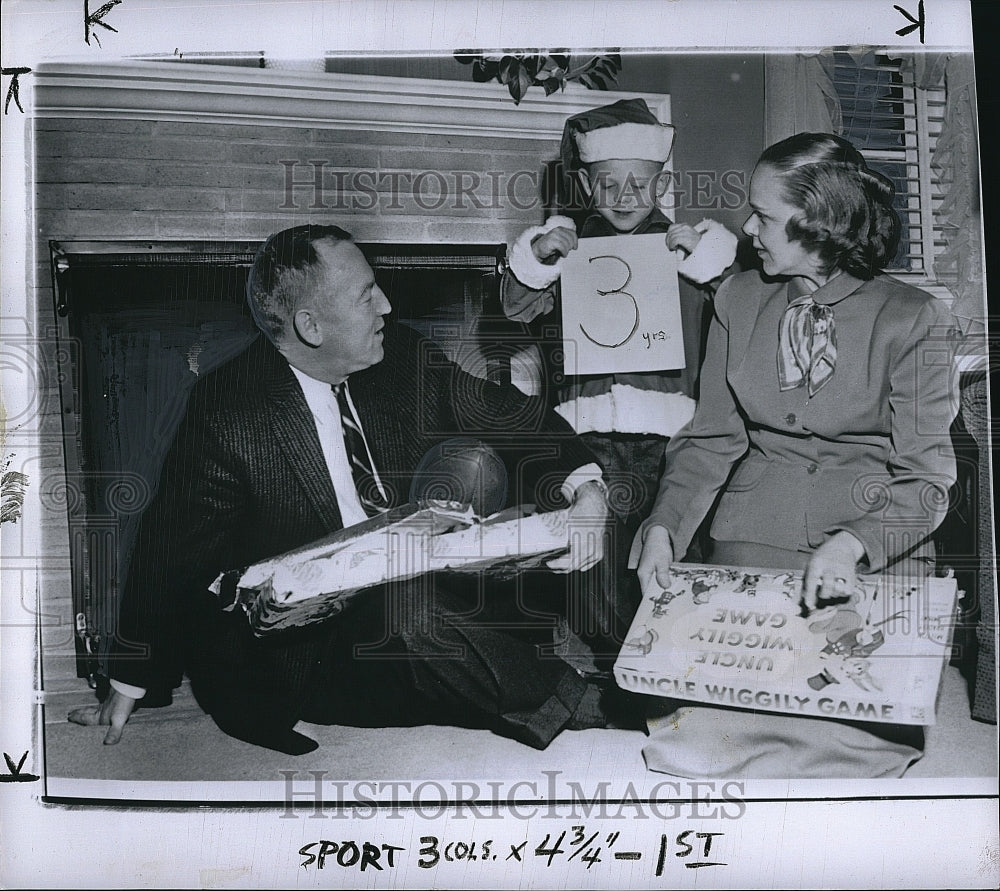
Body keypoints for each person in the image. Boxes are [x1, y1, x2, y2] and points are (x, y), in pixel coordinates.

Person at [69, 224, 628, 755]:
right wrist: (131, 681)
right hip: (316, 652)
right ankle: (587, 704)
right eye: (366, 296)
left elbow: (504, 412)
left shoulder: (397, 355)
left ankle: (641, 662)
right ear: (312, 327)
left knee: (587, 496)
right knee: (407, 607)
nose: (386, 305)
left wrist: (588, 491)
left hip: (425, 591)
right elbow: (171, 547)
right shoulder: (228, 412)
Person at [628, 132, 961, 778]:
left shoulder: (914, 319)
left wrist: (854, 544)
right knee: (697, 732)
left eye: (766, 217)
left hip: (870, 553)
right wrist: (665, 525)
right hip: (756, 540)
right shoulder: (736, 299)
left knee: (856, 729)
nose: (748, 231)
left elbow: (926, 483)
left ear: (822, 226)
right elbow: (710, 440)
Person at [501, 98, 738, 566]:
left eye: (640, 184)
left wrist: (706, 262)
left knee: (670, 549)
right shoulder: (570, 247)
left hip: (670, 439)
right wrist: (540, 255)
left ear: (663, 185)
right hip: (588, 437)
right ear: (588, 184)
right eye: (608, 185)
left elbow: (742, 311)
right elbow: (517, 310)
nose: (624, 197)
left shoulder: (683, 249)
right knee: (590, 558)